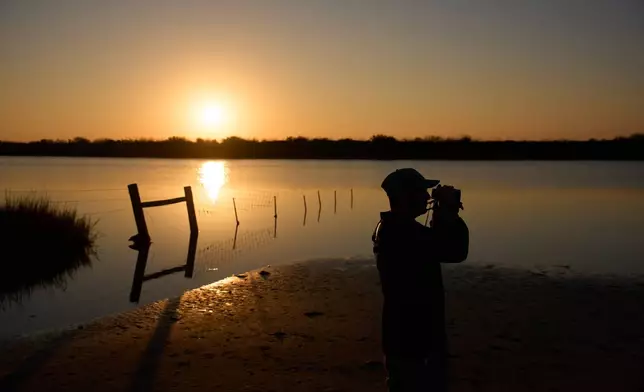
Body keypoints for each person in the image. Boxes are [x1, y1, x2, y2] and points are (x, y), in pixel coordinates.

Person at [372, 168, 469, 392]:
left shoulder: (389, 228)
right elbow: (455, 251)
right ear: (406, 197)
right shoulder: (404, 234)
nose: (427, 197)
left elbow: (433, 245)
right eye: (421, 192)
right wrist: (450, 215)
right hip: (415, 340)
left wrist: (442, 216)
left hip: (401, 334)